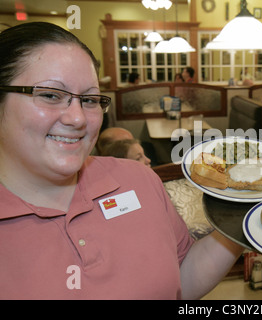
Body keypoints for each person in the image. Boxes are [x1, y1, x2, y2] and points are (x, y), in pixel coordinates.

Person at [0, 22, 242, 299]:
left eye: (90, 99)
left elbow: (181, 279)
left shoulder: (139, 178)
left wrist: (246, 218)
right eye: (51, 95)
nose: (78, 118)